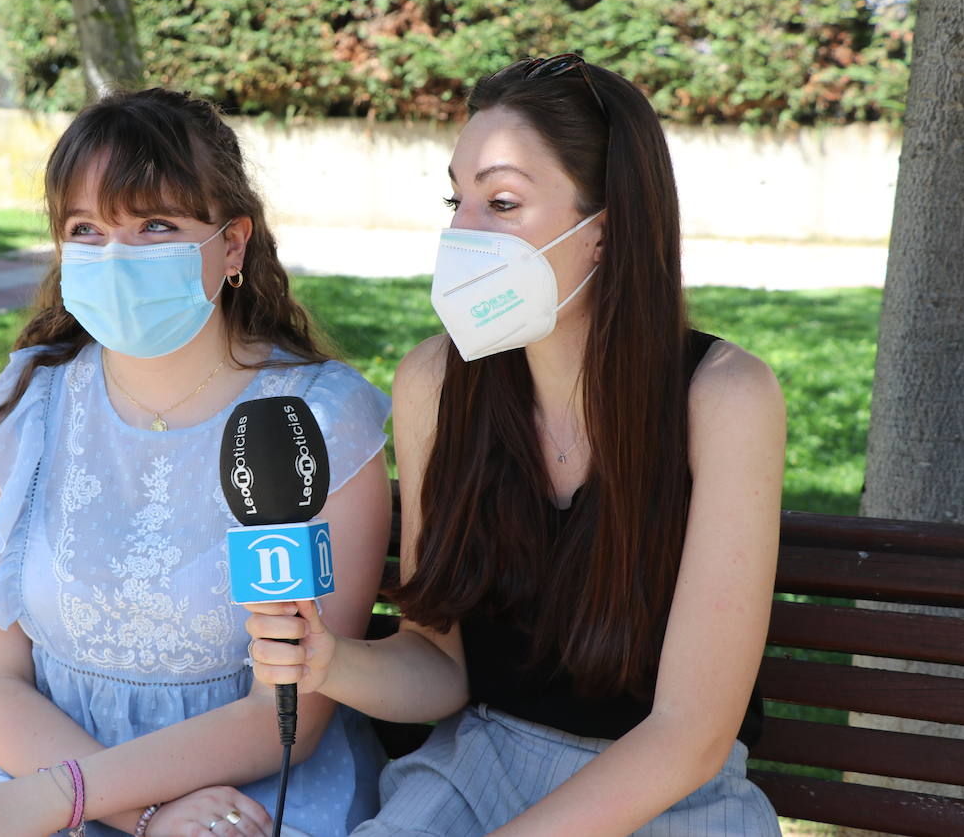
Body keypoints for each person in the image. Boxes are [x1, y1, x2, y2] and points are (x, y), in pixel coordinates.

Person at [245, 55, 786, 836]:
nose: (462, 233)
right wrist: (329, 660)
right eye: (455, 200)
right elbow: (438, 664)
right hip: (473, 770)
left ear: (607, 231)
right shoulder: (433, 383)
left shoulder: (726, 398)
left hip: (667, 796)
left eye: (501, 202)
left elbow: (689, 737)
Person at [0, 88, 391, 837]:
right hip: (40, 786)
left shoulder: (314, 421)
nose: (115, 254)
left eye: (155, 225)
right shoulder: (30, 402)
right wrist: (142, 812)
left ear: (233, 244)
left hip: (248, 801)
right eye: (86, 229)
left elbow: (290, 709)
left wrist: (121, 807)